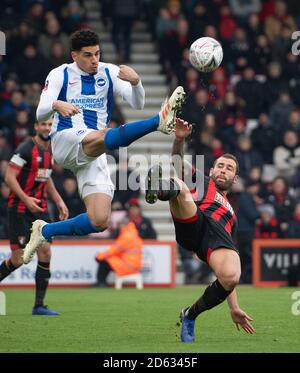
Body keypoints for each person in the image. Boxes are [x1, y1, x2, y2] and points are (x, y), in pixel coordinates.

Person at [22, 29, 186, 264]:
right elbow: (41, 111)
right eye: (88, 55)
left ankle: (44, 231)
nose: (94, 60)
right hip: (66, 140)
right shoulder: (60, 74)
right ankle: (158, 122)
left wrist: (137, 82)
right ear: (74, 55)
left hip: (94, 151)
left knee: (99, 220)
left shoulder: (108, 72)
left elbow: (137, 103)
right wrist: (57, 104)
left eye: (97, 54)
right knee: (101, 136)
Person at [145, 118, 255, 342]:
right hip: (193, 221)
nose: (224, 170)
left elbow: (226, 274)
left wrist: (234, 307)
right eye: (221, 166)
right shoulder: (204, 181)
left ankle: (190, 314)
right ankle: (158, 189)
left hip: (213, 242)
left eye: (229, 168)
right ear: (213, 169)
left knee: (232, 275)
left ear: (235, 178)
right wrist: (179, 139)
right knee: (182, 187)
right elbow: (177, 163)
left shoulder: (232, 215)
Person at [0, 119, 69, 315]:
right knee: (19, 259)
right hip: (20, 209)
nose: (47, 128)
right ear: (36, 127)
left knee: (46, 253)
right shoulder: (25, 149)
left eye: (49, 125)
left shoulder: (50, 150)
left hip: (40, 210)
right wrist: (26, 198)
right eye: (43, 125)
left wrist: (59, 201)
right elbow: (9, 177)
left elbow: (46, 180)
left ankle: (39, 305)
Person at [94, 217, 143, 287]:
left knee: (104, 260)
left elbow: (113, 250)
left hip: (128, 266)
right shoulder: (134, 235)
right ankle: (102, 282)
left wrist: (99, 256)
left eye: (120, 225)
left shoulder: (126, 236)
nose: (119, 227)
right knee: (108, 260)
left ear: (123, 225)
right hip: (134, 266)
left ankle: (101, 283)